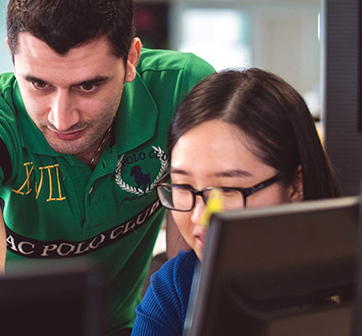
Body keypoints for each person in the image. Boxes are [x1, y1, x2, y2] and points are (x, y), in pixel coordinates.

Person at [0, 0, 214, 333]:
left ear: (131, 58)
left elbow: (192, 244)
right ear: (12, 57)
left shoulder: (182, 88)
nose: (61, 117)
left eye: (88, 85)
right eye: (38, 84)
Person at [132, 68, 343, 335]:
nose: (199, 216)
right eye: (183, 186)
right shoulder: (177, 286)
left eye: (227, 189)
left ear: (295, 185)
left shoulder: (346, 286)